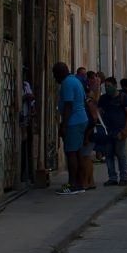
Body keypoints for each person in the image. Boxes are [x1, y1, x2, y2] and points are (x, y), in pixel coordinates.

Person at [52, 62, 89, 195]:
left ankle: (72, 184)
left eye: (55, 74)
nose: (54, 77)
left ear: (61, 72)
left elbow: (68, 105)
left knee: (71, 153)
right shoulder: (75, 80)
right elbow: (84, 101)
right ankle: (80, 183)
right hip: (82, 119)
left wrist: (64, 126)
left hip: (73, 121)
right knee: (78, 152)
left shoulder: (67, 83)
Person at [98, 77, 127, 186]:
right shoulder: (103, 99)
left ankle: (123, 177)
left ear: (114, 85)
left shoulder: (124, 97)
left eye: (109, 86)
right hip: (107, 131)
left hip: (120, 131)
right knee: (108, 155)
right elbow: (99, 113)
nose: (107, 88)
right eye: (105, 86)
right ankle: (112, 177)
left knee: (120, 154)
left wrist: (125, 130)